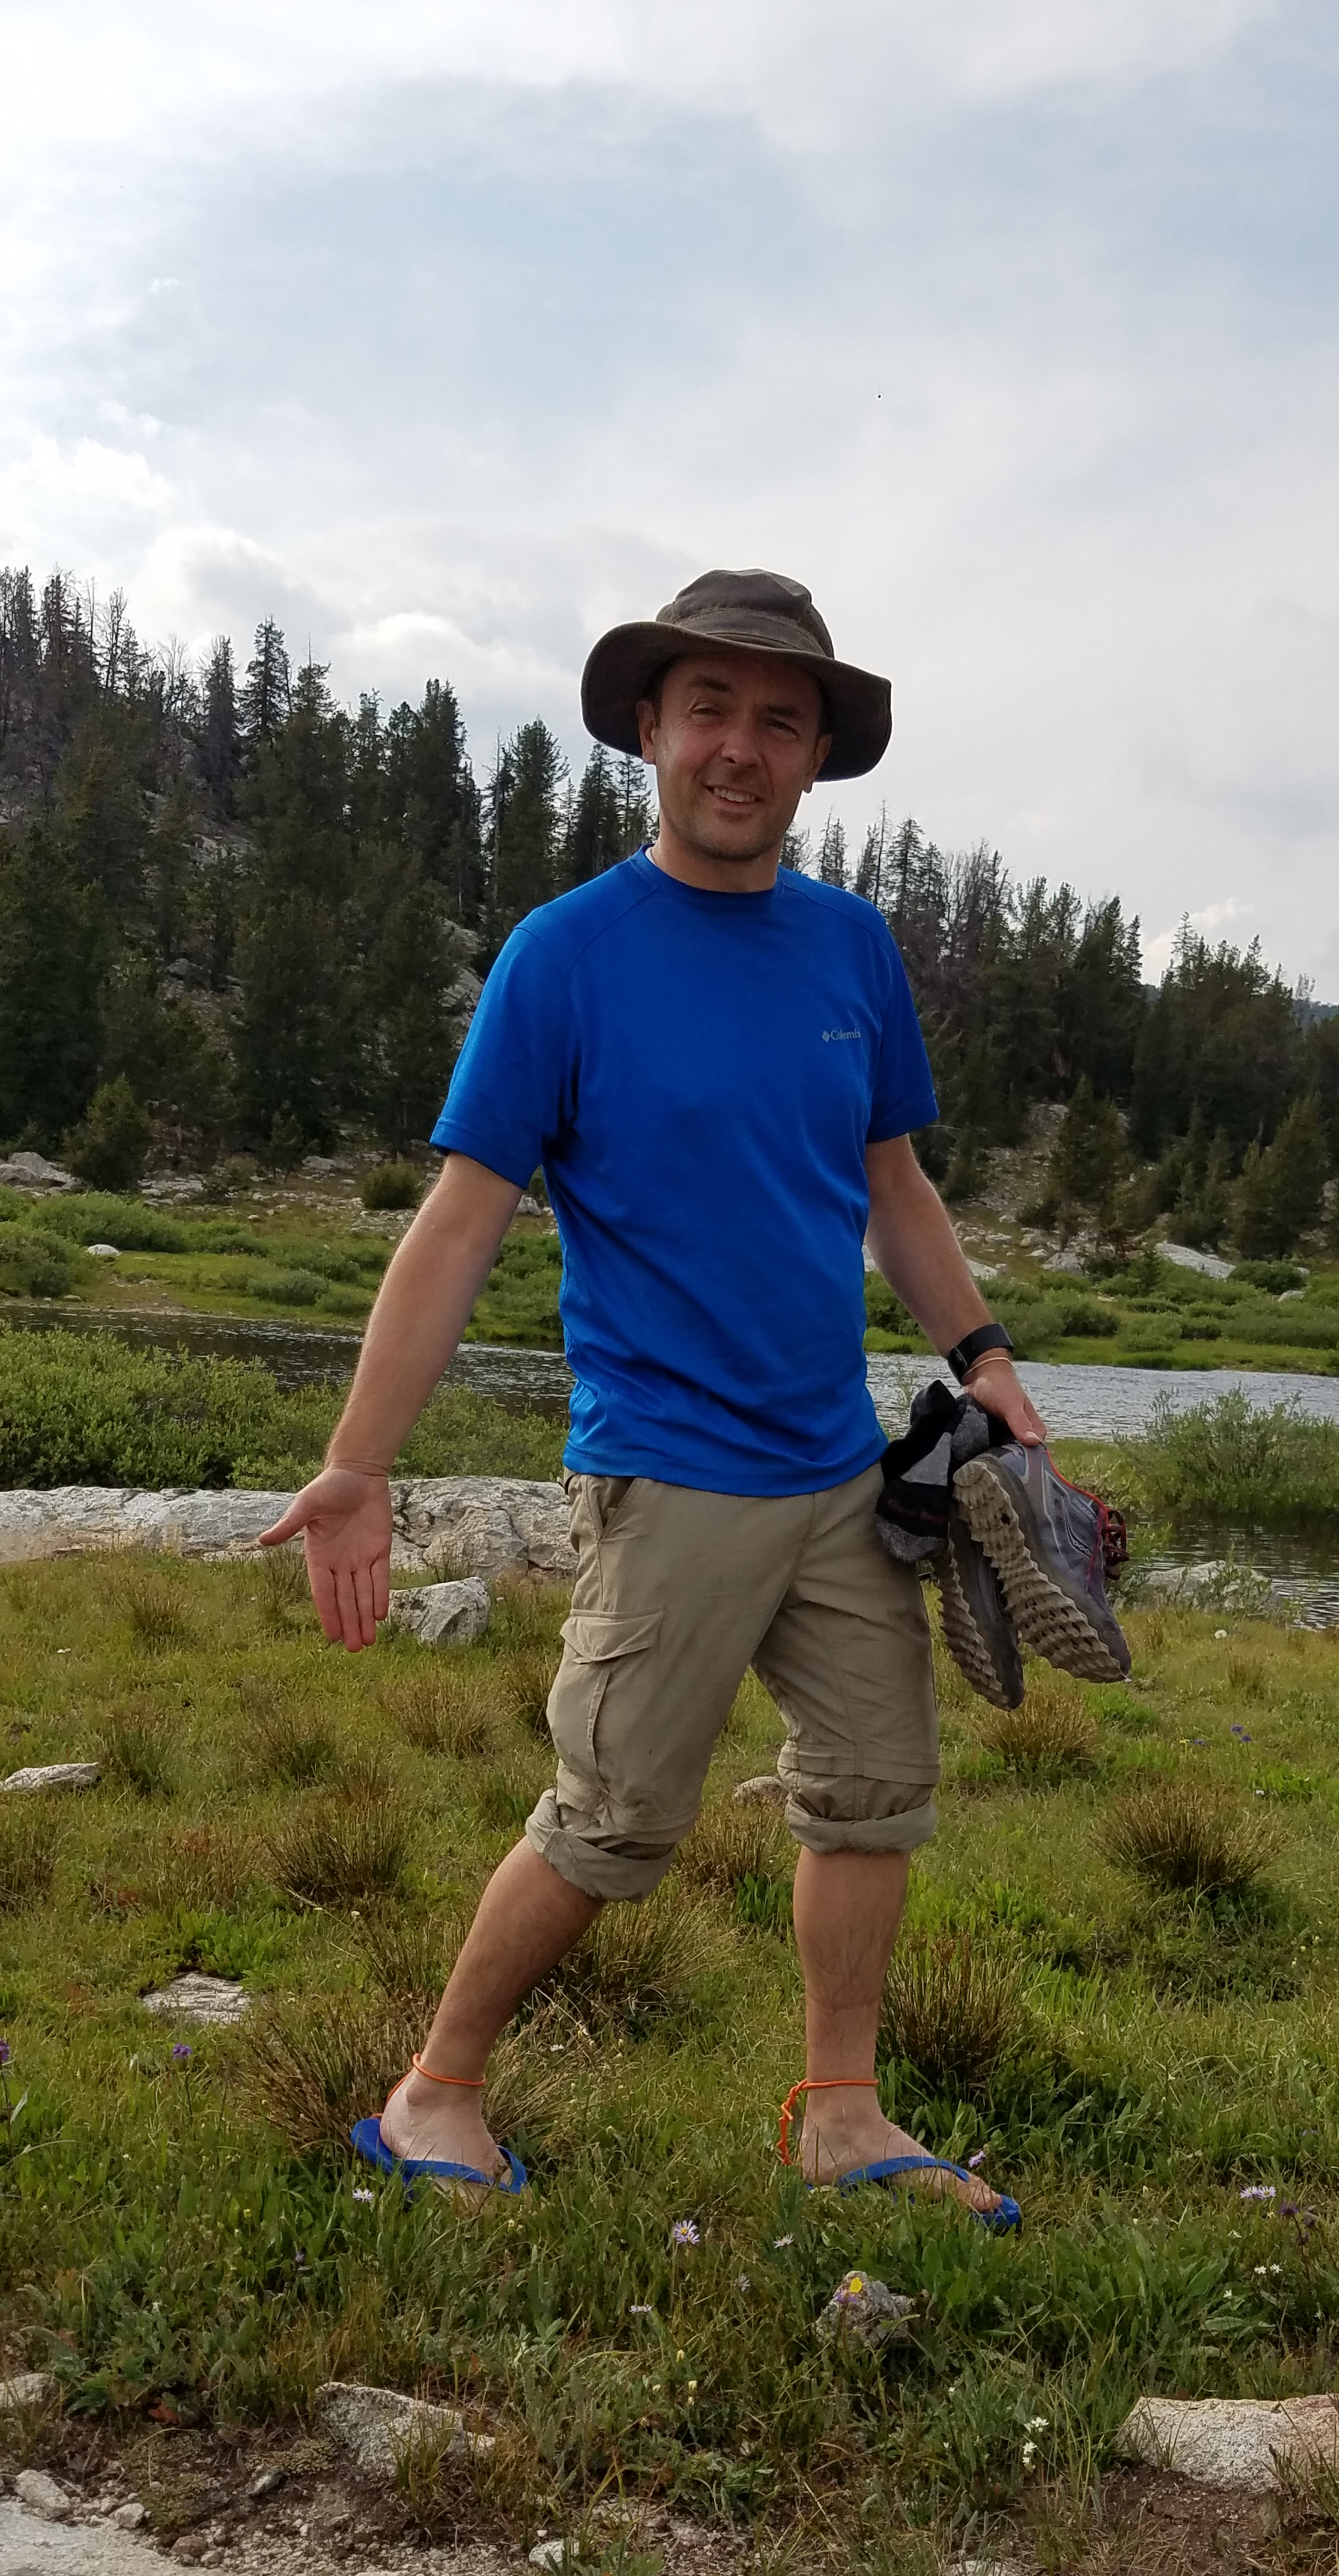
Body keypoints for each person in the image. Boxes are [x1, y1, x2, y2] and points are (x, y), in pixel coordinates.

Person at [260, 568, 1049, 2225]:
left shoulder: (852, 949)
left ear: (819, 754)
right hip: (670, 1472)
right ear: (650, 729)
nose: (740, 749)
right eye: (711, 711)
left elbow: (892, 1181)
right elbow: (459, 1223)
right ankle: (435, 2093)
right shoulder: (569, 957)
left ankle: (843, 2113)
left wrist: (981, 1355)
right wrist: (358, 1465)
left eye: (780, 720)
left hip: (838, 1466)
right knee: (612, 1822)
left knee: (872, 1798)